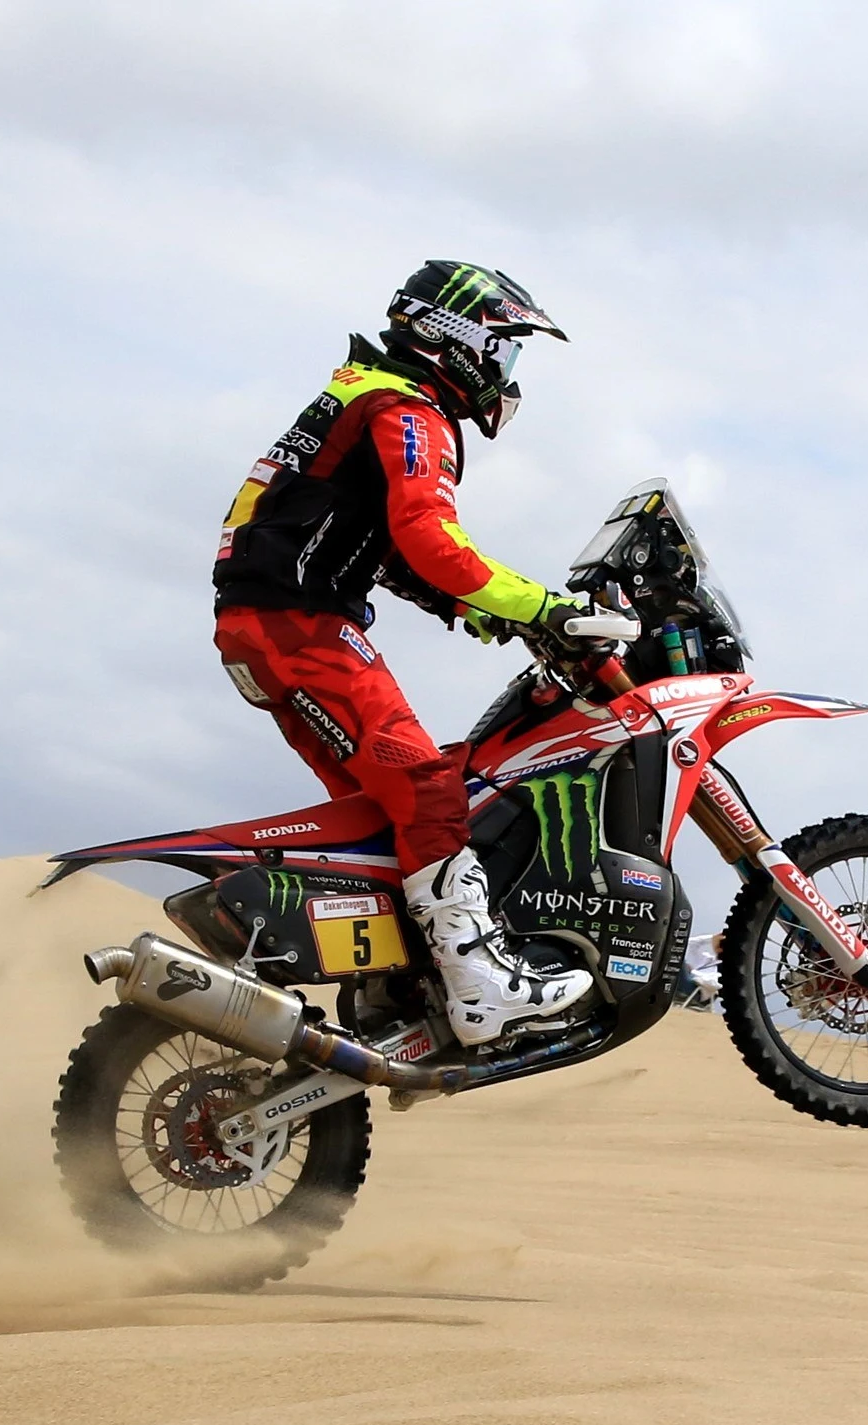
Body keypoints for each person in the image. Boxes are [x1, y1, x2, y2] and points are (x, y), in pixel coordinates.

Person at [212, 260, 600, 1047]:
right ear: (456, 339)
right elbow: (430, 539)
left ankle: (400, 981)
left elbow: (373, 540)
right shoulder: (407, 407)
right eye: (505, 349)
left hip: (265, 624)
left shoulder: (359, 391)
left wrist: (468, 607)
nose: (506, 372)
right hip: (302, 628)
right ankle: (480, 987)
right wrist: (547, 606)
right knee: (428, 791)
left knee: (378, 818)